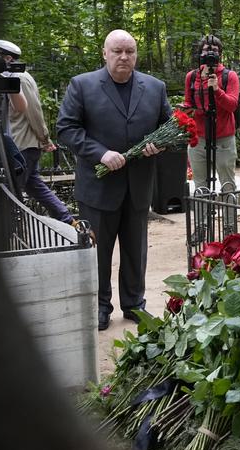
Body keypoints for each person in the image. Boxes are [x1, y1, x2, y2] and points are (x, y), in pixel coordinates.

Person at [57, 29, 171, 331]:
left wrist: (161, 144)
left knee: (136, 251)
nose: (124, 57)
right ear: (104, 53)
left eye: (130, 51)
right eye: (117, 51)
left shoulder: (155, 87)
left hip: (138, 188)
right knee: (99, 252)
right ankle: (100, 306)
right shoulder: (82, 86)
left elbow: (172, 128)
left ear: (136, 54)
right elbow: (66, 129)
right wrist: (100, 153)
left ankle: (134, 303)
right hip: (98, 188)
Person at [0, 39, 77, 226]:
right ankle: (68, 220)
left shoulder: (19, 78)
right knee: (34, 186)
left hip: (22, 145)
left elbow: (33, 112)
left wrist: (44, 138)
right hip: (20, 144)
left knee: (12, 192)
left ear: (7, 58)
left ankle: (16, 229)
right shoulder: (1, 78)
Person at [184, 35, 240, 194]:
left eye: (214, 50)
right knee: (200, 187)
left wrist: (217, 90)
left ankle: (230, 220)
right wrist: (184, 111)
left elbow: (232, 105)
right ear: (200, 54)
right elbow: (188, 103)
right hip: (199, 139)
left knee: (227, 186)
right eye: (207, 50)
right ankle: (203, 220)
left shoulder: (229, 76)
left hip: (224, 139)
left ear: (220, 54)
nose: (210, 54)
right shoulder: (192, 76)